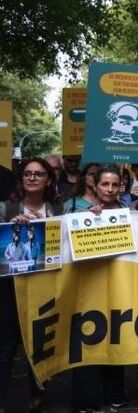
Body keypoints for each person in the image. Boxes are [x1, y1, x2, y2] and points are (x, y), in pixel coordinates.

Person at [0, 157, 62, 412]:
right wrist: (8, 229)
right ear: (21, 179)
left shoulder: (58, 210)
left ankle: (38, 396)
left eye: (38, 174)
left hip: (45, 286)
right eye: (27, 174)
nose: (32, 178)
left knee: (40, 344)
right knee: (5, 346)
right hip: (9, 290)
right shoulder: (6, 208)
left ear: (48, 179)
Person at [71, 165, 129, 412]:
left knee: (116, 336)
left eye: (115, 185)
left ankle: (115, 393)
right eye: (105, 184)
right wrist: (89, 219)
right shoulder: (76, 211)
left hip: (118, 287)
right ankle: (87, 399)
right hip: (86, 287)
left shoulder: (128, 213)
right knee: (86, 339)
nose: (110, 189)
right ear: (95, 185)